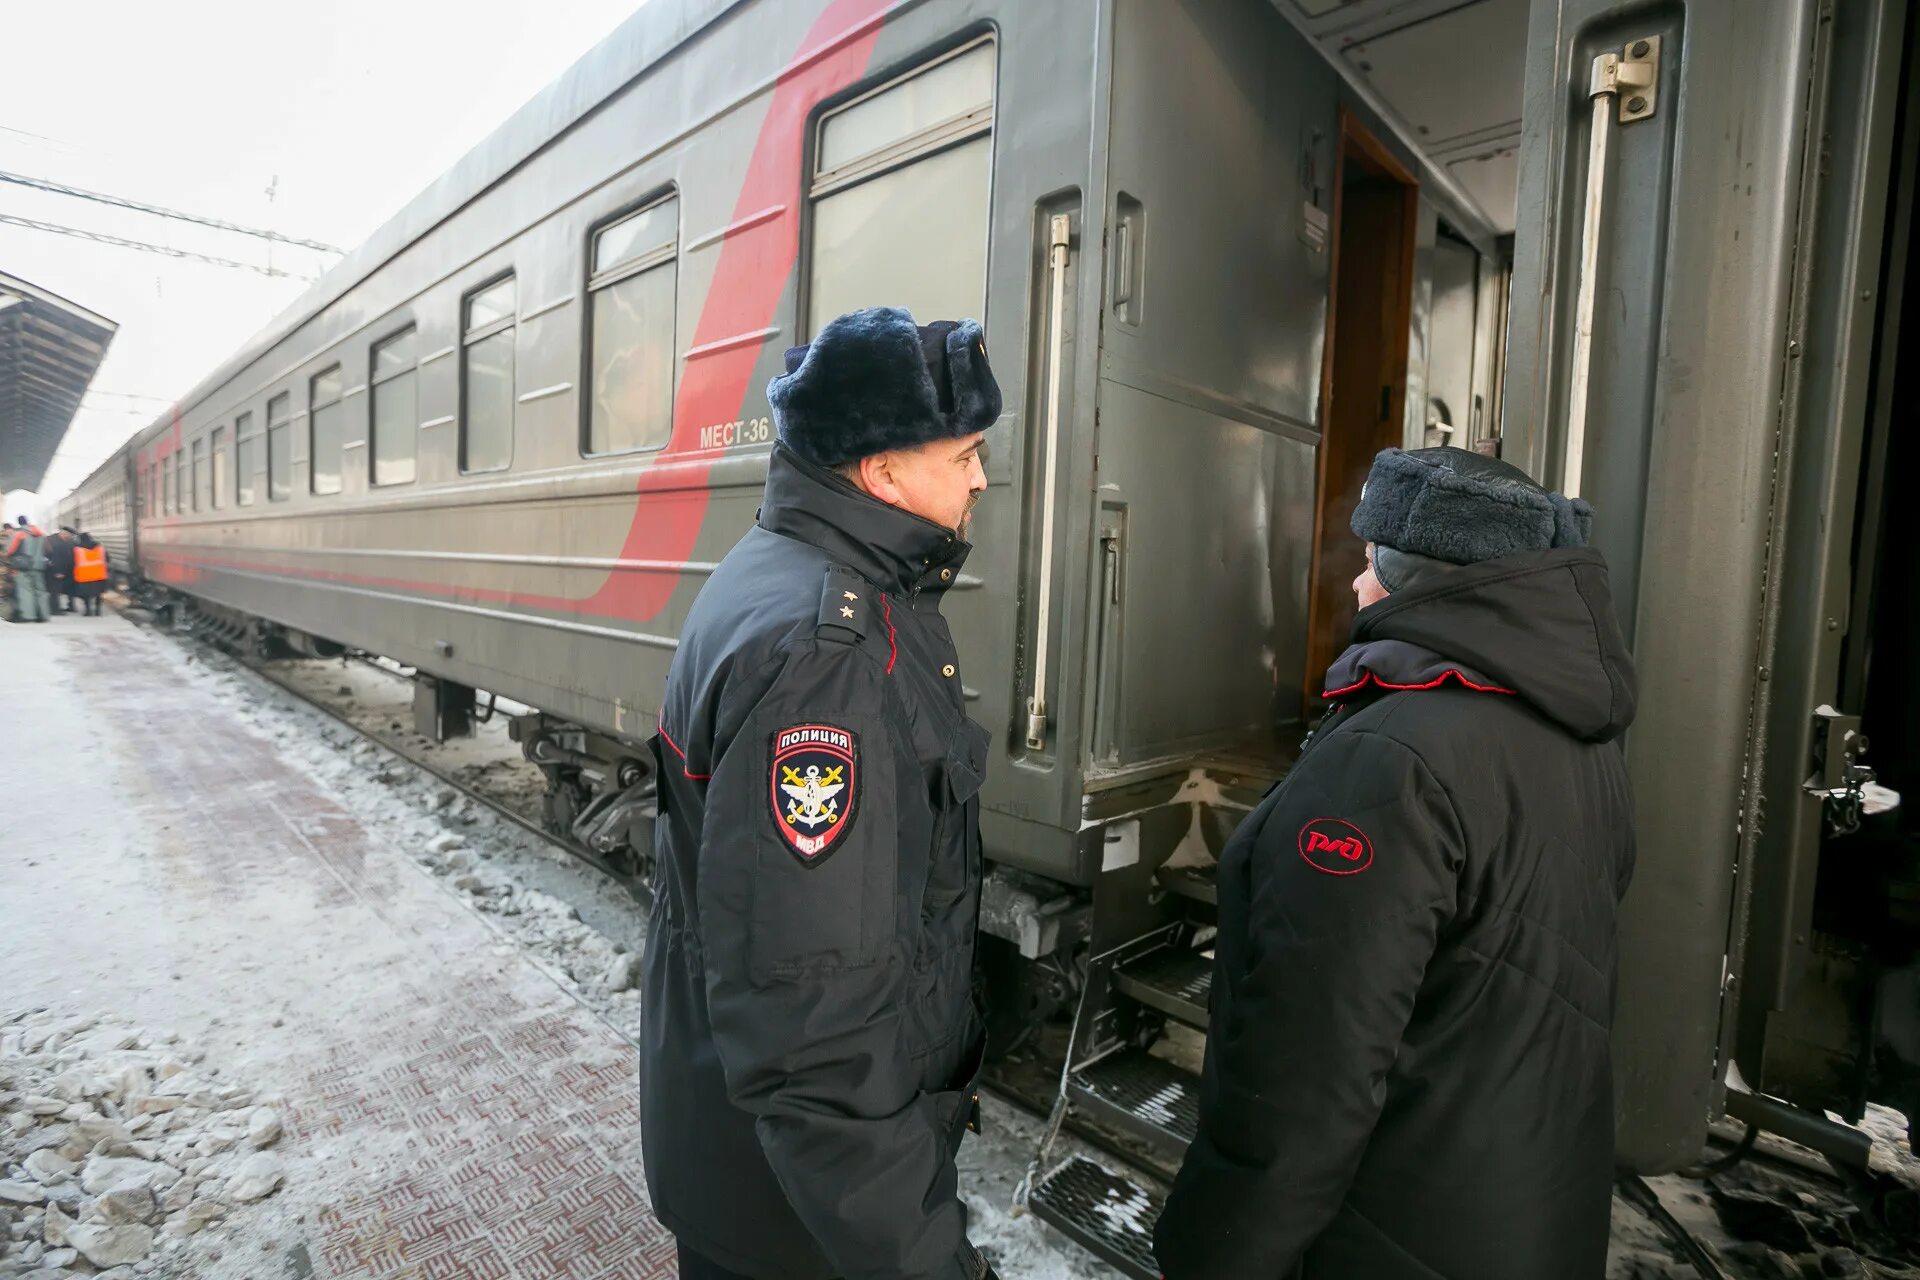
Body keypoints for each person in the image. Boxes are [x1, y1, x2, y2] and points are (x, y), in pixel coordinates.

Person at [1155, 447, 1639, 1280]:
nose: (1355, 584)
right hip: (1526, 1212)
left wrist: (1214, 1255)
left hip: (1386, 1233)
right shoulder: (1579, 734)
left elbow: (1309, 1083)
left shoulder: (1389, 760)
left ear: (1427, 578)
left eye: (1373, 559)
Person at [642, 306, 1002, 1280]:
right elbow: (817, 1031)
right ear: (882, 471)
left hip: (754, 1164)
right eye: (965, 451)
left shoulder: (791, 572)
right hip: (798, 1216)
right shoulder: (824, 655)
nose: (980, 476)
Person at [5, 517, 51, 623]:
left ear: (19, 523)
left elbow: (10, 551)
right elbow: (49, 550)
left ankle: (29, 616)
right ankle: (43, 615)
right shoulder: (41, 534)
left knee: (25, 591)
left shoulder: (20, 534)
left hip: (24, 567)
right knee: (40, 591)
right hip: (39, 566)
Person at [70, 532, 109, 617]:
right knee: (98, 594)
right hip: (99, 576)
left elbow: (72, 562)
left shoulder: (78, 549)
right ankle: (98, 611)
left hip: (85, 576)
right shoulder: (100, 548)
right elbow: (108, 559)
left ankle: (88, 611)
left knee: (86, 595)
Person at [46, 527, 76, 614]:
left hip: (56, 570)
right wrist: (58, 572)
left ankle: (55, 608)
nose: (70, 538)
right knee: (54, 591)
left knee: (55, 591)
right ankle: (55, 610)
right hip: (54, 571)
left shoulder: (57, 540)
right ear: (64, 534)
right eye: (69, 536)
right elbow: (56, 559)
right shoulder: (55, 542)